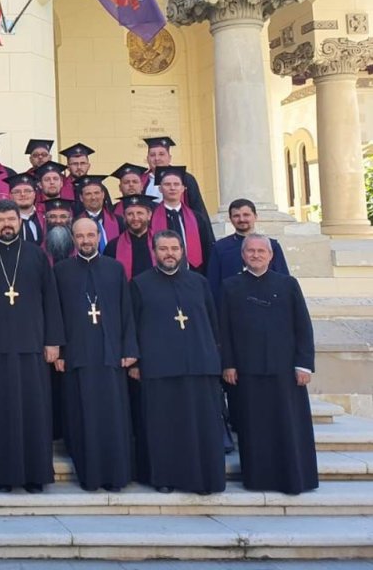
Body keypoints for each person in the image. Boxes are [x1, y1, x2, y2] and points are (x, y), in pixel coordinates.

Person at [0, 200, 63, 493]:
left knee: (34, 412)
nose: (6, 224)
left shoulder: (36, 255)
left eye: (11, 219)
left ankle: (36, 475)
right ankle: (2, 475)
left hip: (32, 346)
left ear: (19, 221)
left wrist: (53, 342)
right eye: (0, 220)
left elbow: (51, 300)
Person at [129, 230, 225, 495]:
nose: (169, 253)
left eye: (174, 248)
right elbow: (133, 326)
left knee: (201, 425)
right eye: (163, 249)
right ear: (154, 252)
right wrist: (135, 362)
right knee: (164, 427)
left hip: (199, 364)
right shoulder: (140, 284)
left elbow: (212, 322)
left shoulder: (199, 282)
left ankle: (204, 478)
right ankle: (164, 478)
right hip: (159, 368)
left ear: (182, 251)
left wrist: (216, 357)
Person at [220, 235, 317, 494]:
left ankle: (294, 479)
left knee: (289, 426)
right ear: (243, 255)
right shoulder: (230, 286)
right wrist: (228, 364)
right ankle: (258, 480)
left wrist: (304, 365)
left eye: (261, 251)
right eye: (250, 251)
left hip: (285, 370)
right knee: (254, 428)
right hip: (247, 371)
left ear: (271, 255)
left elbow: (303, 327)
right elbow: (224, 331)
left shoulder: (288, 284)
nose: (256, 255)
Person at [54, 218, 138, 492]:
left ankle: (117, 475)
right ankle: (89, 475)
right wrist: (60, 351)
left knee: (113, 415)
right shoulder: (62, 271)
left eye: (91, 235)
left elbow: (126, 311)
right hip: (77, 355)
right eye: (80, 236)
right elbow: (56, 315)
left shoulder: (114, 269)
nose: (86, 240)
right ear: (73, 239)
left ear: (98, 236)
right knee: (83, 417)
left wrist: (129, 349)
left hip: (111, 354)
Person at [207, 198, 290, 301]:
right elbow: (213, 285)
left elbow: (283, 280)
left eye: (246, 215)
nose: (241, 219)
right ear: (230, 219)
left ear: (255, 216)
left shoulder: (272, 245)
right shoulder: (220, 248)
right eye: (236, 216)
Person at [149, 166, 215, 274]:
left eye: (176, 184)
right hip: (160, 275)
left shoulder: (197, 218)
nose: (172, 188)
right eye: (167, 184)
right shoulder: (151, 218)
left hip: (193, 274)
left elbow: (207, 248)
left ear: (183, 188)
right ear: (160, 189)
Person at [142, 136, 207, 212]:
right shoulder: (140, 181)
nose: (157, 158)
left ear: (169, 158)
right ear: (147, 159)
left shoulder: (185, 178)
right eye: (152, 155)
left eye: (161, 154)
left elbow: (198, 208)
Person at [104, 194, 157, 280]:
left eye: (140, 213)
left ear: (149, 215)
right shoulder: (113, 246)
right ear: (124, 216)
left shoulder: (160, 243)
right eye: (130, 214)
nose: (135, 218)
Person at [73, 175, 121, 250]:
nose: (93, 197)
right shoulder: (75, 223)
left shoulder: (119, 221)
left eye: (96, 193)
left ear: (103, 195)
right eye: (88, 194)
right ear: (81, 198)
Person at [6, 173, 43, 244]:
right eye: (17, 192)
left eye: (27, 191)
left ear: (35, 194)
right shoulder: (5, 221)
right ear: (10, 196)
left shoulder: (45, 218)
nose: (23, 194)